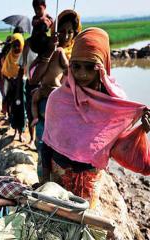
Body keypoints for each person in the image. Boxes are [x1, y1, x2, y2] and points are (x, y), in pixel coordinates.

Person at [41, 27, 150, 209]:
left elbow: (116, 144)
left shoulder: (116, 104)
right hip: (59, 175)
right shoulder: (58, 99)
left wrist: (142, 130)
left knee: (85, 224)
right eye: (76, 66)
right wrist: (45, 179)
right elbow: (47, 143)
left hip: (91, 179)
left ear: (102, 67)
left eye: (90, 67)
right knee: (58, 224)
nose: (82, 73)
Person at [30, 10, 82, 126]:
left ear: (75, 33)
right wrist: (49, 51)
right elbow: (33, 78)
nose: (66, 36)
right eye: (62, 31)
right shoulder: (47, 48)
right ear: (55, 32)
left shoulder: (78, 52)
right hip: (50, 98)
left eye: (70, 32)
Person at [1, 33, 26, 141]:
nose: (16, 48)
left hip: (21, 89)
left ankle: (21, 132)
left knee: (22, 110)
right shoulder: (9, 57)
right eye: (14, 45)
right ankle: (15, 131)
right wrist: (10, 80)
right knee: (13, 110)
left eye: (18, 45)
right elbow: (5, 72)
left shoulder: (24, 57)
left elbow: (28, 73)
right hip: (12, 88)